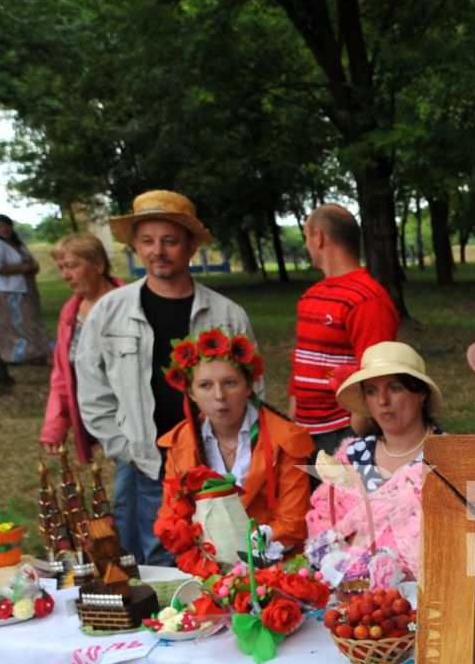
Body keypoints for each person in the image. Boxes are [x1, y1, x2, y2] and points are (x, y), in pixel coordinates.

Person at [76, 190, 252, 566]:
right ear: (136, 247)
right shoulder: (109, 313)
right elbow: (92, 390)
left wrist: (236, 453)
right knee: (149, 561)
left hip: (214, 464)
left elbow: (252, 389)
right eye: (148, 241)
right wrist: (126, 448)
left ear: (190, 246)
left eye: (170, 241)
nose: (159, 251)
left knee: (224, 554)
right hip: (143, 462)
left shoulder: (226, 314)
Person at [156, 329, 314, 556]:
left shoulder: (286, 438)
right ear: (190, 392)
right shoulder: (179, 441)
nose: (219, 395)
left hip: (275, 562)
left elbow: (292, 523)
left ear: (249, 386)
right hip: (207, 560)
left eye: (230, 383)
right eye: (205, 385)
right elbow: (172, 515)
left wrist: (238, 552)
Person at [304, 342, 442, 584]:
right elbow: (325, 523)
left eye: (395, 388)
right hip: (350, 595)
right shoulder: (353, 455)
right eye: (371, 391)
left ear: (420, 393)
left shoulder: (446, 458)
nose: (382, 400)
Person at [291, 204, 402, 457]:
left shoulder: (367, 299)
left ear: (318, 237)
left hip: (342, 435)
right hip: (305, 433)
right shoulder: (311, 296)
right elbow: (299, 365)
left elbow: (377, 373)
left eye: (307, 236)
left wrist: (355, 436)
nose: (307, 244)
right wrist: (293, 420)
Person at [40, 232, 120, 461]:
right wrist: (55, 426)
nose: (65, 275)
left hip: (134, 420)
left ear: (98, 265)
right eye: (61, 267)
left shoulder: (130, 303)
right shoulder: (70, 313)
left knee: (127, 494)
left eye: (72, 266)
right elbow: (62, 375)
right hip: (99, 420)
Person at [0, 214, 53, 365]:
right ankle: (16, 354)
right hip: (7, 291)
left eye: (6, 225)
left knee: (31, 321)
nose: (4, 229)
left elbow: (32, 262)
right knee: (12, 323)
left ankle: (36, 351)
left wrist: (32, 267)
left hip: (26, 287)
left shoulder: (19, 244)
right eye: (0, 226)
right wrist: (23, 268)